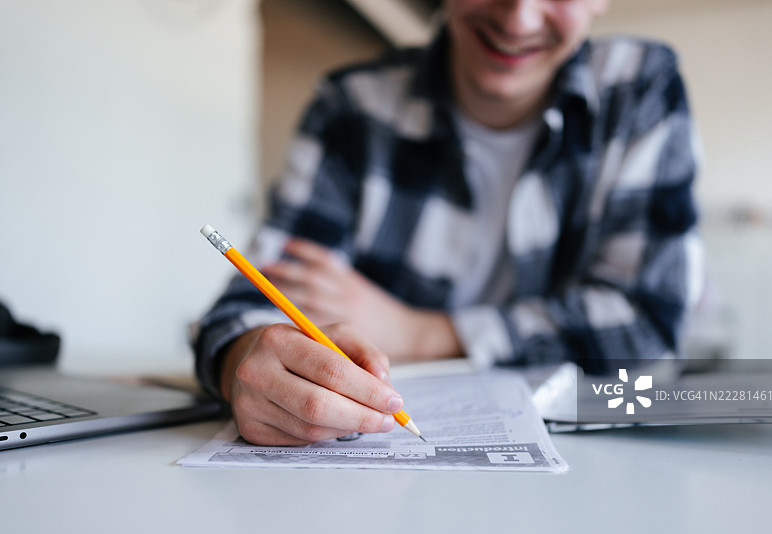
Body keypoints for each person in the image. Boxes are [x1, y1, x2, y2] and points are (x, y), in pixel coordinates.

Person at [194, 0, 703, 446]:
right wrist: (244, 364)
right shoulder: (350, 108)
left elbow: (648, 334)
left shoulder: (642, 87)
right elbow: (248, 311)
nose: (519, 17)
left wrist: (419, 333)